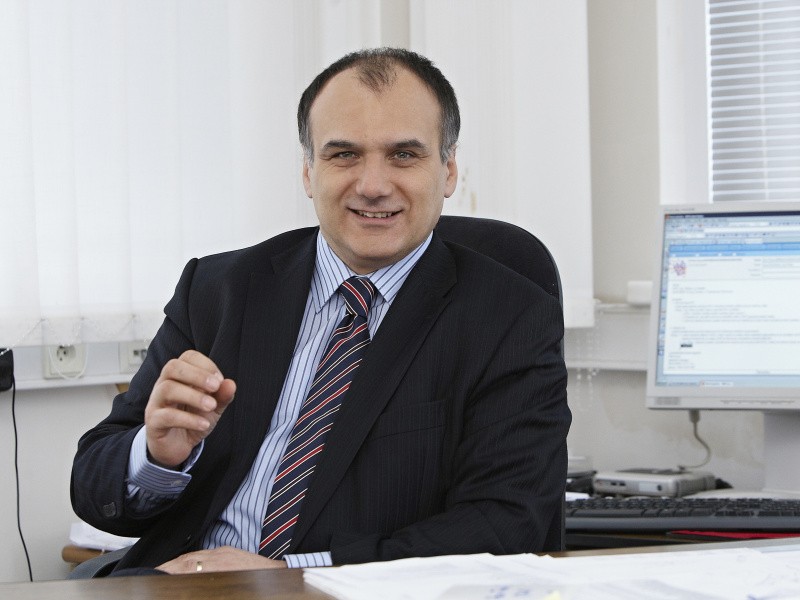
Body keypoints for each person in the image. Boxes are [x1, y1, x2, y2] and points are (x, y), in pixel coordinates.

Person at [71, 47, 571, 575]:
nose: (373, 186)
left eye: (404, 155)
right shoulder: (219, 289)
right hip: (178, 584)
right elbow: (93, 490)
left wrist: (294, 575)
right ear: (309, 172)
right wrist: (157, 456)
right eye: (344, 155)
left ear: (447, 170)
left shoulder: (510, 318)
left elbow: (505, 523)